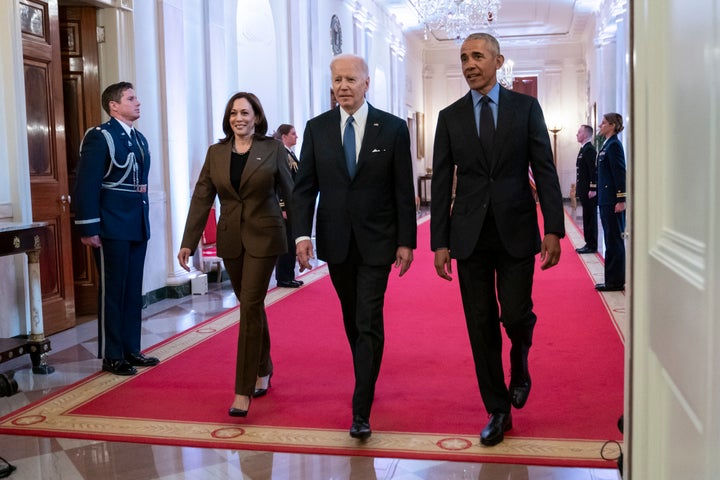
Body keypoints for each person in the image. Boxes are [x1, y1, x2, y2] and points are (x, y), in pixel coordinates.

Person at [430, 33, 565, 447]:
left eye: (477, 56)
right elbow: (439, 183)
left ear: (498, 61)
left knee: (514, 314)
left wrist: (554, 228)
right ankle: (498, 409)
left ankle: (520, 359)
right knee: (480, 324)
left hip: (516, 228)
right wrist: (439, 241)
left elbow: (543, 168)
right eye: (464, 57)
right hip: (468, 234)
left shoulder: (525, 109)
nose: (470, 64)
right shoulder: (449, 116)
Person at [292, 54, 417, 441]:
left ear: (366, 83)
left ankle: (360, 408)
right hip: (336, 242)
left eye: (350, 79)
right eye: (337, 80)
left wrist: (406, 241)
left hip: (378, 242)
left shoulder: (393, 128)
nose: (342, 86)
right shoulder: (317, 128)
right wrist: (301, 236)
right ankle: (367, 368)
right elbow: (304, 188)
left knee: (366, 318)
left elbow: (402, 189)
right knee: (353, 319)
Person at [177, 92, 294, 417]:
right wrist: (189, 239)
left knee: (250, 306)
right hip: (231, 238)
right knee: (251, 305)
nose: (238, 118)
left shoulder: (272, 149)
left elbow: (291, 192)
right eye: (233, 113)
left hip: (265, 236)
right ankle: (265, 366)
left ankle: (242, 390)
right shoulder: (216, 153)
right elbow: (202, 196)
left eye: (244, 112)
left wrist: (301, 238)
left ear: (256, 116)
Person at [74, 81, 158, 376]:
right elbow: (86, 184)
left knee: (133, 289)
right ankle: (112, 355)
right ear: (114, 105)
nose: (138, 103)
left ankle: (130, 348)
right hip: (111, 225)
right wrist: (88, 226)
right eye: (131, 98)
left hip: (136, 224)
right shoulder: (101, 136)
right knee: (113, 291)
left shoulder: (140, 139)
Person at [594, 113, 627, 291]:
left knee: (614, 240)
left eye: (604, 123)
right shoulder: (607, 144)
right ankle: (611, 279)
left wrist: (621, 198)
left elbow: (619, 172)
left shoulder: (614, 145)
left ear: (613, 126)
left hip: (613, 200)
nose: (600, 125)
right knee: (609, 238)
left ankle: (615, 281)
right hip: (606, 199)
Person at [272, 124, 303, 288]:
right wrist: (283, 207)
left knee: (292, 242)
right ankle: (284, 277)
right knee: (287, 243)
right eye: (293, 134)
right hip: (286, 207)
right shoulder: (281, 153)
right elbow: (281, 184)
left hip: (294, 205)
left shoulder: (290, 153)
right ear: (284, 136)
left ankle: (289, 275)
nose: (296, 136)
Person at [574, 124, 598, 254]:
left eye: (579, 132)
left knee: (590, 217)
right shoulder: (584, 149)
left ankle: (592, 244)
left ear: (584, 135)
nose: (577, 134)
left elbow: (593, 171)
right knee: (587, 216)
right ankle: (588, 242)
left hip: (589, 191)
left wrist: (593, 188)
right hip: (585, 190)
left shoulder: (589, 150)